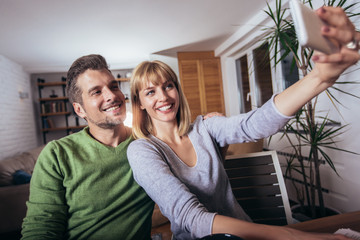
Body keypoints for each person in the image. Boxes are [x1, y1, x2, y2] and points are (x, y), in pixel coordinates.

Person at [127, 6, 359, 240]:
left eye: (168, 86)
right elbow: (193, 218)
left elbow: (254, 124)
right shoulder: (142, 150)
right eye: (150, 92)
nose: (163, 97)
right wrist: (290, 235)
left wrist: (320, 77)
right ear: (140, 103)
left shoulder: (204, 127)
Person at [21, 54, 154, 240]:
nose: (112, 96)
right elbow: (42, 227)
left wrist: (207, 122)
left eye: (113, 86)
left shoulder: (149, 142)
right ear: (79, 110)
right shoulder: (57, 154)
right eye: (96, 92)